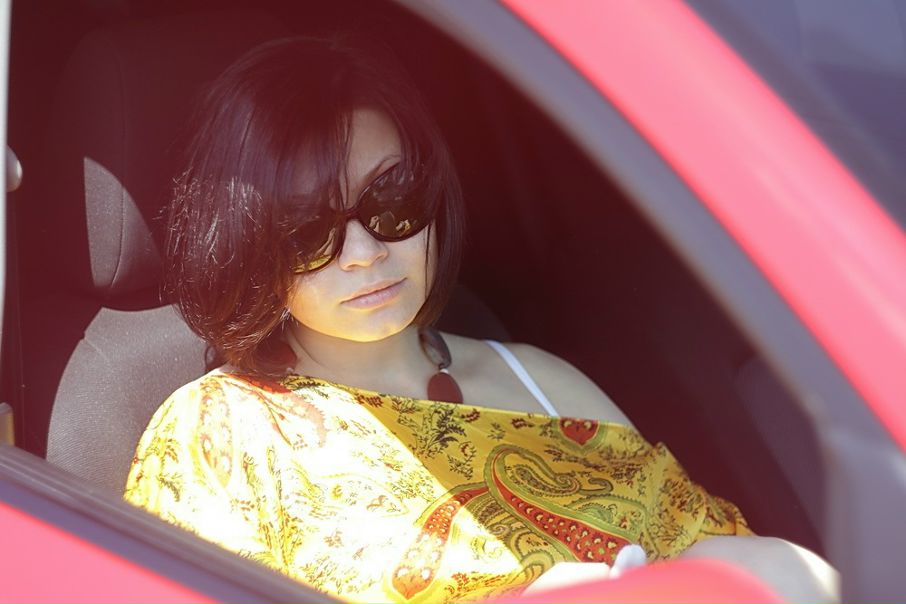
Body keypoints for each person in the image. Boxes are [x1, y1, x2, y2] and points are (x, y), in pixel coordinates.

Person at [124, 36, 837, 603]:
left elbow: (708, 548)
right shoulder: (217, 434)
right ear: (251, 243)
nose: (365, 253)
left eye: (392, 200)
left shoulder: (541, 381)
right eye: (307, 228)